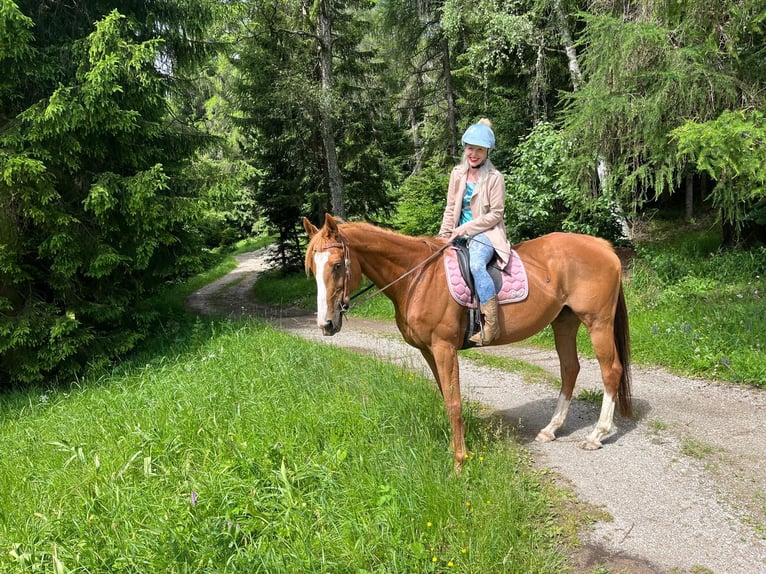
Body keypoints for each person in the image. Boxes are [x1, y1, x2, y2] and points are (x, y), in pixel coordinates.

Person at [438, 118, 511, 346]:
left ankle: (491, 324)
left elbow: (495, 214)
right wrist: (443, 235)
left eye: (479, 149)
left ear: (487, 152)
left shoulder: (494, 178)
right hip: (457, 235)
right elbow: (451, 208)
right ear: (465, 148)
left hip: (486, 234)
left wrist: (465, 228)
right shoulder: (457, 174)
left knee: (476, 265)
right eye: (470, 148)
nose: (474, 154)